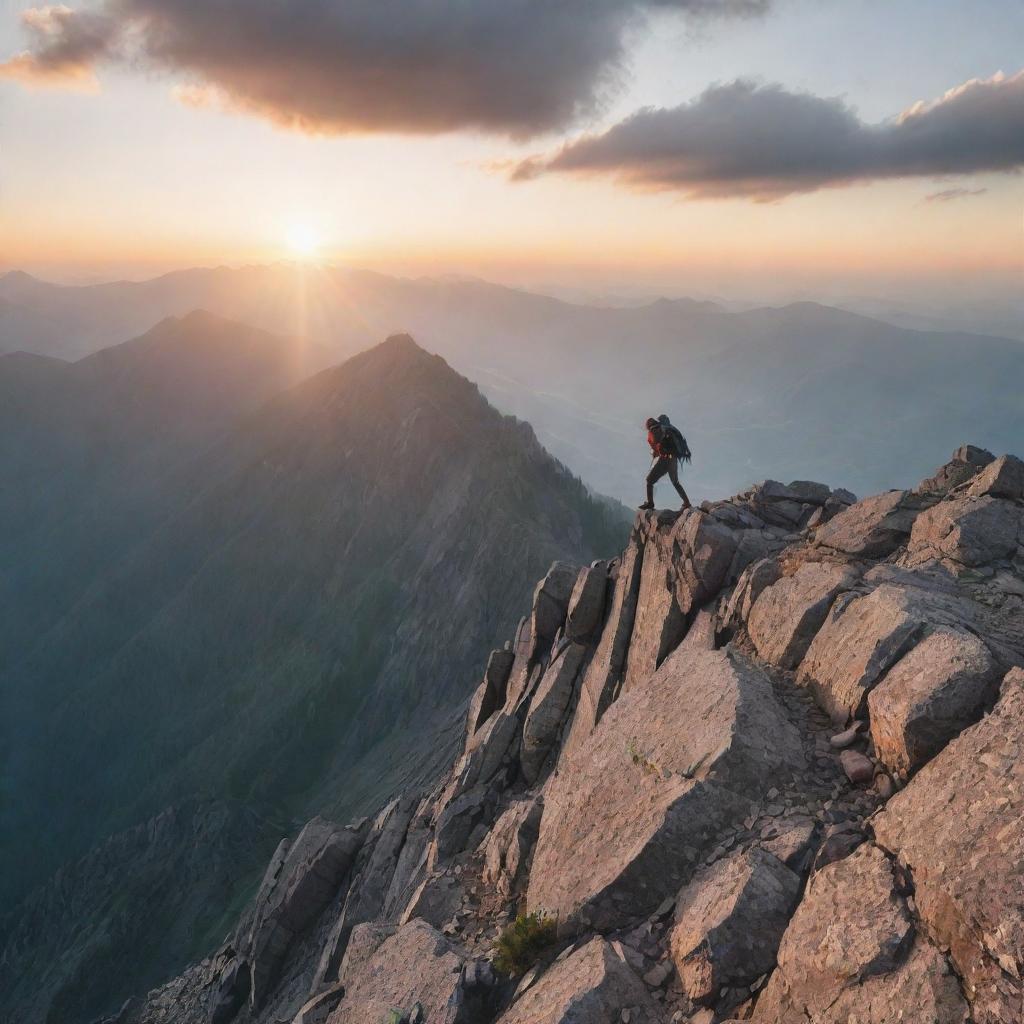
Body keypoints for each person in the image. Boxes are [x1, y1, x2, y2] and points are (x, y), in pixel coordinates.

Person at [639, 414, 691, 511]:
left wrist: (656, 452)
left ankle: (650, 503)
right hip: (673, 459)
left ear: (648, 425)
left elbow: (657, 445)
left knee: (649, 480)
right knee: (675, 482)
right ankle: (687, 502)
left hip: (664, 460)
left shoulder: (654, 430)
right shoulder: (666, 428)